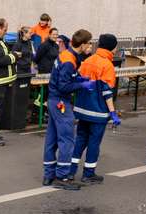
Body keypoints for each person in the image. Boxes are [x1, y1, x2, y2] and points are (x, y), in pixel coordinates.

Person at [43, 29, 96, 190]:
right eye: (89, 43)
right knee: (67, 140)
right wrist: (82, 84)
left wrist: (79, 78)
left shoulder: (66, 55)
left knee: (51, 140)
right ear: (83, 44)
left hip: (53, 100)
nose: (90, 47)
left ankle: (49, 175)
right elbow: (64, 85)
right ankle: (62, 176)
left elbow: (64, 77)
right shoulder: (69, 60)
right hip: (60, 102)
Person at [70, 33, 121, 184]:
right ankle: (88, 173)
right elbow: (107, 92)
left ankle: (71, 171)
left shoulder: (88, 60)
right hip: (98, 112)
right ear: (112, 47)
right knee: (93, 142)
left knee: (80, 140)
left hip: (82, 109)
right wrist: (113, 113)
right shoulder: (107, 65)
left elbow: (77, 81)